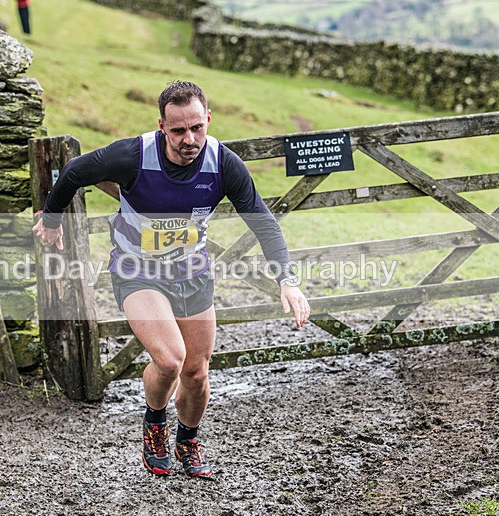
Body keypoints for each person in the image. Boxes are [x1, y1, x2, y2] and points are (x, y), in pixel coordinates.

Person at [33, 81, 310, 478]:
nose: (189, 139)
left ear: (208, 119)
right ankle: (155, 425)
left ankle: (188, 440)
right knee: (169, 359)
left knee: (196, 373)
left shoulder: (223, 164)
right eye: (178, 130)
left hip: (192, 275)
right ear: (162, 125)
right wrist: (52, 218)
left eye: (197, 127)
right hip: (137, 272)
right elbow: (76, 171)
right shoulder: (133, 155)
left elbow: (262, 221)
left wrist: (287, 279)